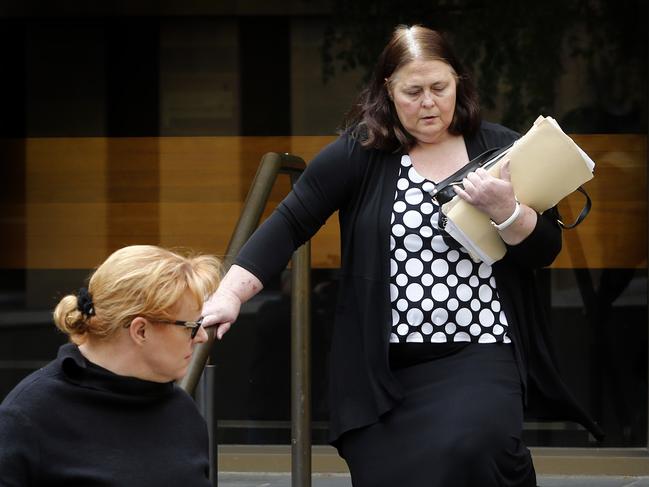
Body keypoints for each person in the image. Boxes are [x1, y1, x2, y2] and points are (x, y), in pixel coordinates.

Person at [202, 25, 603, 486]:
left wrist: (507, 211)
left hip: (479, 353)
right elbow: (290, 223)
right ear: (387, 91)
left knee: (473, 447)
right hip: (381, 370)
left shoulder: (503, 148)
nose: (428, 102)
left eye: (439, 88)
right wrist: (230, 294)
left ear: (459, 84)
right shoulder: (359, 153)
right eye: (413, 91)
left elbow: (545, 250)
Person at [0, 245, 222, 486]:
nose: (201, 337)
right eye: (191, 326)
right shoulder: (30, 414)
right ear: (141, 330)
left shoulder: (181, 409)